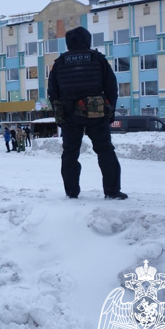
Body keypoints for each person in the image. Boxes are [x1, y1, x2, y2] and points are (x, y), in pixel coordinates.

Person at [48, 26, 127, 200]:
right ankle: (112, 191)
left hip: (69, 115)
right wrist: (110, 112)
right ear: (87, 40)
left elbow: (53, 93)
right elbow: (111, 88)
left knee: (70, 153)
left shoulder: (60, 63)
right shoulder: (97, 59)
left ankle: (71, 192)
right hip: (97, 113)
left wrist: (59, 116)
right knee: (105, 151)